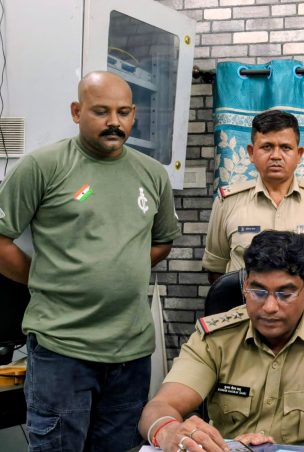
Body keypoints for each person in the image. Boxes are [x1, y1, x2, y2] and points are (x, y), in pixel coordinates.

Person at [0, 71, 181, 450]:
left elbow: (162, 240)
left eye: (123, 112)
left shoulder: (152, 174)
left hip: (130, 352)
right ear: (76, 111)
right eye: (101, 111)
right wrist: (42, 277)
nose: (114, 121)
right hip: (62, 350)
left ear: (134, 114)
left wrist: (122, 267)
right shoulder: (42, 167)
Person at [140, 230, 304, 451]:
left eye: (285, 293)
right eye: (258, 292)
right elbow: (160, 406)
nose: (270, 307)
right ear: (245, 286)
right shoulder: (216, 337)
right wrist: (168, 432)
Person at [203, 109, 304, 283]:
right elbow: (216, 270)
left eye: (285, 147)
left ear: (299, 154)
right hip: (245, 301)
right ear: (251, 153)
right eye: (267, 147)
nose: (276, 156)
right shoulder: (227, 203)